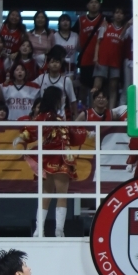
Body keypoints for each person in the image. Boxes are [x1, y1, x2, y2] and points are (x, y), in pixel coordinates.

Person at [14, 86, 84, 238]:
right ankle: (58, 231)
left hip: (47, 158)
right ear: (56, 100)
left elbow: (29, 131)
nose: (63, 100)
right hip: (60, 157)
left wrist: (22, 137)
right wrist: (22, 137)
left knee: (46, 194)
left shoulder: (45, 117)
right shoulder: (52, 118)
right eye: (61, 97)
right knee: (61, 195)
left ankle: (41, 230)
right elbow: (30, 131)